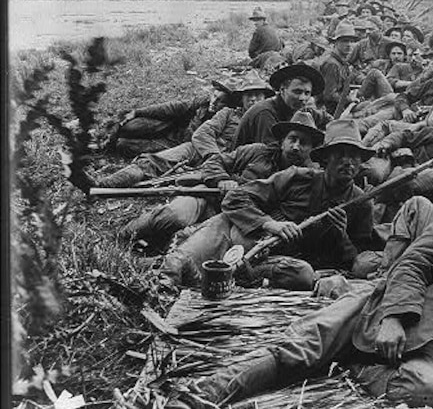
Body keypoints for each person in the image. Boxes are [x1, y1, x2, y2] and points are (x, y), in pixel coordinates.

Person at [160, 158, 433, 409]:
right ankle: (206, 392)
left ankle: (353, 365)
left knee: (425, 390)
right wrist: (395, 319)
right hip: (380, 304)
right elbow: (414, 264)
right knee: (301, 349)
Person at [158, 119, 379, 292]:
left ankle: (236, 275)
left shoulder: (360, 203)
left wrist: (342, 236)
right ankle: (164, 274)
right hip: (240, 235)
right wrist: (269, 224)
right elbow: (235, 198)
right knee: (176, 266)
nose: (348, 162)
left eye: (355, 157)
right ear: (326, 158)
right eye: (340, 155)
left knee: (303, 275)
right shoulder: (297, 177)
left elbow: (356, 261)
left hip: (278, 261)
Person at [128, 110, 322, 255]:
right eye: (292, 139)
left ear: (311, 149)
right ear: (282, 141)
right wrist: (223, 179)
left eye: (303, 142)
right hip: (208, 198)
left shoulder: (307, 180)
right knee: (174, 217)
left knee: (200, 246)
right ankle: (126, 234)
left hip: (238, 221)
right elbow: (214, 161)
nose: (296, 146)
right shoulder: (256, 151)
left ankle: (158, 257)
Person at [95, 75, 271, 189]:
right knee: (151, 162)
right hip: (197, 149)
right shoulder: (228, 113)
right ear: (241, 98)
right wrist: (215, 158)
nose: (253, 99)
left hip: (230, 164)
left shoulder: (266, 121)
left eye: (258, 95)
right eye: (249, 95)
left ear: (265, 98)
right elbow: (202, 133)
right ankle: (102, 184)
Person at [233, 64, 328, 147]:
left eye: (307, 93)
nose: (302, 98)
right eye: (297, 92)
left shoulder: (300, 108)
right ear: (282, 90)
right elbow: (270, 151)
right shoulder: (265, 113)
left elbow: (325, 118)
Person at [319, 22, 360, 115]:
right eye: (345, 41)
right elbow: (329, 95)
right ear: (336, 43)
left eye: (351, 41)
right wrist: (349, 99)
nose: (349, 44)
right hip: (333, 111)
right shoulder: (332, 64)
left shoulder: (342, 62)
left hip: (341, 106)